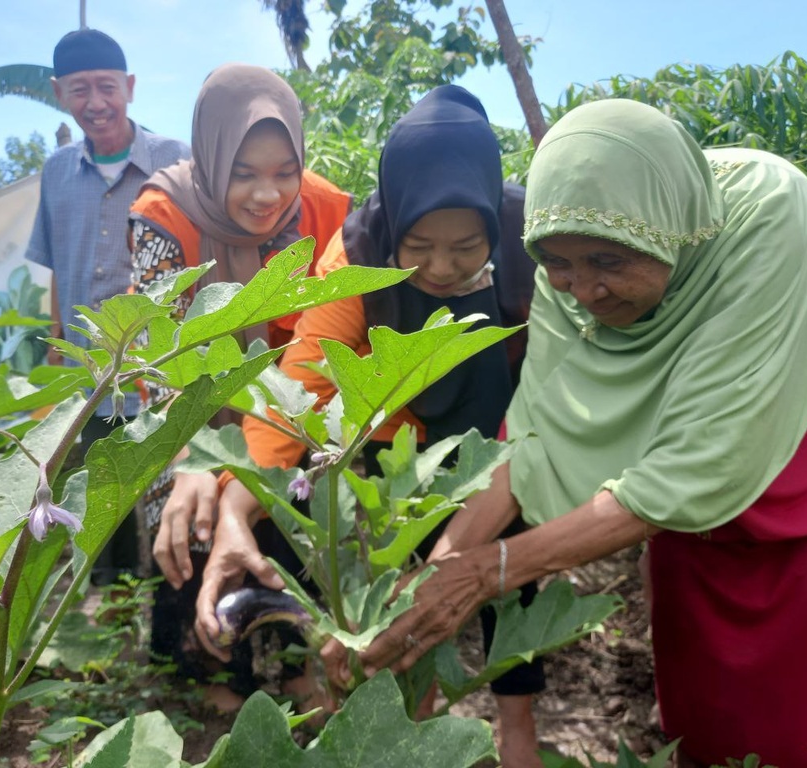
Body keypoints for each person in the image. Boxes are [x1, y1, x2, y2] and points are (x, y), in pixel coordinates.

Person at [331, 98, 807, 768]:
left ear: (666, 233)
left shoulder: (773, 218)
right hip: (692, 463)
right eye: (559, 266)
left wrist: (492, 570)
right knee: (689, 574)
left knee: (791, 604)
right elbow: (532, 437)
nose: (584, 291)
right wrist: (428, 576)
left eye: (606, 262)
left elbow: (690, 473)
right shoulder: (573, 257)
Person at [172, 85, 545, 767]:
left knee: (506, 572)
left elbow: (550, 395)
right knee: (396, 592)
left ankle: (517, 727)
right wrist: (234, 510)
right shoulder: (356, 255)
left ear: (495, 222)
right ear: (393, 223)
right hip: (396, 440)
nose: (440, 266)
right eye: (419, 244)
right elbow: (302, 391)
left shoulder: (533, 246)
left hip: (506, 429)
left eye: (466, 247)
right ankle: (406, 723)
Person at [136, 63, 352, 711]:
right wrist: (193, 456)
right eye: (244, 172)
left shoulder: (325, 207)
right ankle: (208, 678)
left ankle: (293, 666)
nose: (269, 195)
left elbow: (321, 343)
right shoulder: (162, 215)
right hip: (190, 406)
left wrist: (261, 454)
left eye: (285, 172)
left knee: (288, 516)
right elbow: (159, 354)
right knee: (190, 518)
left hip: (284, 410)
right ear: (212, 154)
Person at [25, 28, 190, 586]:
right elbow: (53, 266)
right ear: (58, 94)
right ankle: (113, 612)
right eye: (79, 90)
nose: (95, 103)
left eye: (106, 86)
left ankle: (173, 619)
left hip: (157, 367)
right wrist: (55, 347)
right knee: (100, 492)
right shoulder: (55, 173)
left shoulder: (176, 159)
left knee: (167, 488)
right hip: (88, 373)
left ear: (130, 87)